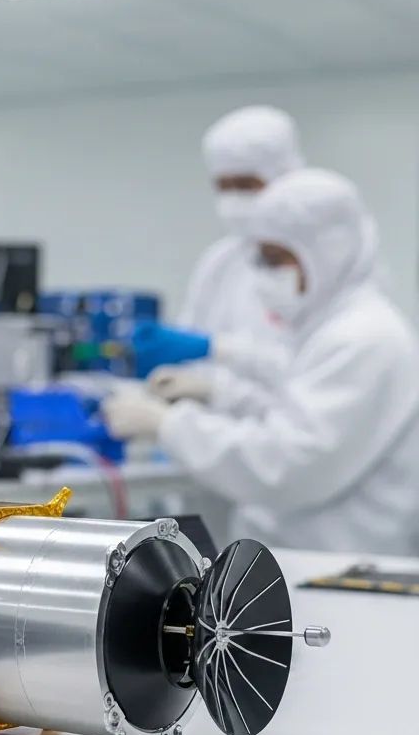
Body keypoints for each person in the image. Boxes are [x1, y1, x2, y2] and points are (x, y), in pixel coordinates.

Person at [103, 168, 419, 555]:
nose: (264, 277)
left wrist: (168, 424)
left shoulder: (363, 337)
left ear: (327, 253)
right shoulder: (330, 327)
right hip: (309, 558)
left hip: (343, 565)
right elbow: (293, 411)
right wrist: (218, 393)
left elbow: (285, 463)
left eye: (276, 259)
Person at [135, 106, 305, 401]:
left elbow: (315, 372)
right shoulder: (221, 261)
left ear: (283, 179)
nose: (233, 201)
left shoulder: (318, 263)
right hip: (218, 434)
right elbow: (192, 344)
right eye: (223, 187)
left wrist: (220, 352)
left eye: (246, 185)